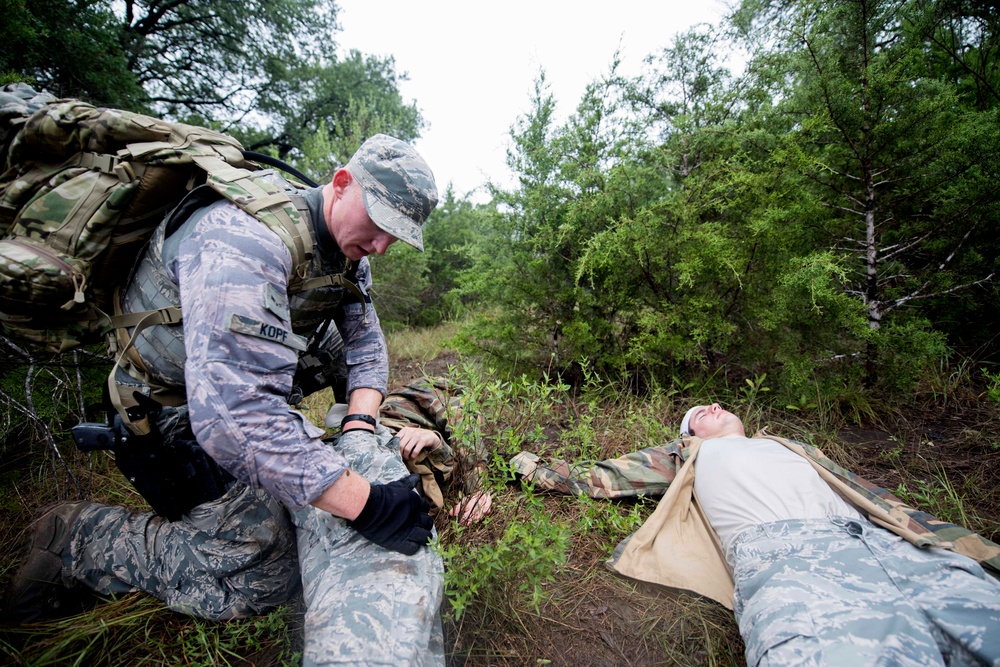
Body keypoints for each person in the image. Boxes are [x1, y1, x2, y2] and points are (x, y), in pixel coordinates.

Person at [5, 135, 446, 666]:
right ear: (341, 182)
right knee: (261, 578)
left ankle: (320, 454)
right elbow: (234, 420)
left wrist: (356, 430)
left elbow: (365, 347)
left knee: (331, 416)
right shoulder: (244, 239)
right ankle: (77, 538)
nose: (380, 246)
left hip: (248, 389)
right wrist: (366, 503)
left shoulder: (348, 252)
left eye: (394, 237)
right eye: (377, 225)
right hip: (173, 417)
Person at [511, 404, 1000, 666]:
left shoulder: (790, 446)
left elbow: (875, 496)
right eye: (699, 412)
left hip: (894, 547)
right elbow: (595, 478)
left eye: (717, 404)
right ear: (689, 434)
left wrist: (944, 539)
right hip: (793, 563)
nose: (714, 407)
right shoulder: (686, 455)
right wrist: (519, 462)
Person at [361, 376, 493, 525]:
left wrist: (437, 440)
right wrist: (478, 489)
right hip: (392, 443)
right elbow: (466, 433)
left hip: (366, 443)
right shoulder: (440, 394)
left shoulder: (399, 399)